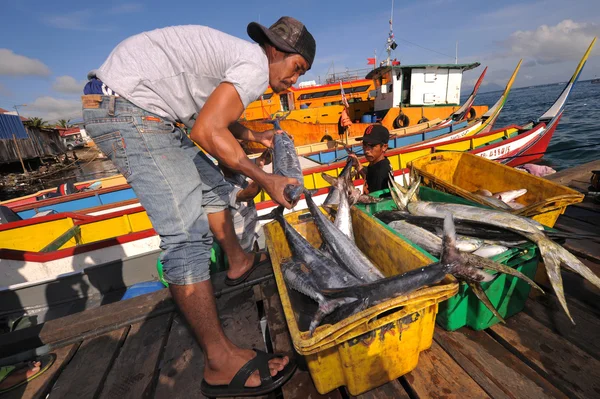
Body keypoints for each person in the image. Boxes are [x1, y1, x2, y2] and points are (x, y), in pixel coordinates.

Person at [81, 16, 315, 397]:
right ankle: (219, 363)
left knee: (211, 190)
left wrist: (254, 136)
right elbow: (206, 132)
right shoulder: (254, 67)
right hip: (128, 109)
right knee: (187, 237)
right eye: (297, 68)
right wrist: (265, 178)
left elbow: (209, 118)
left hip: (144, 108)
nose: (296, 79)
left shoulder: (238, 60)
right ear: (277, 51)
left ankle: (237, 260)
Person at [349, 125, 392, 194]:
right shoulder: (377, 163)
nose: (366, 150)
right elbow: (370, 176)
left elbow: (374, 201)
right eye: (365, 145)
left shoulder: (381, 172)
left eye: (372, 146)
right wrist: (358, 166)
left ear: (384, 147)